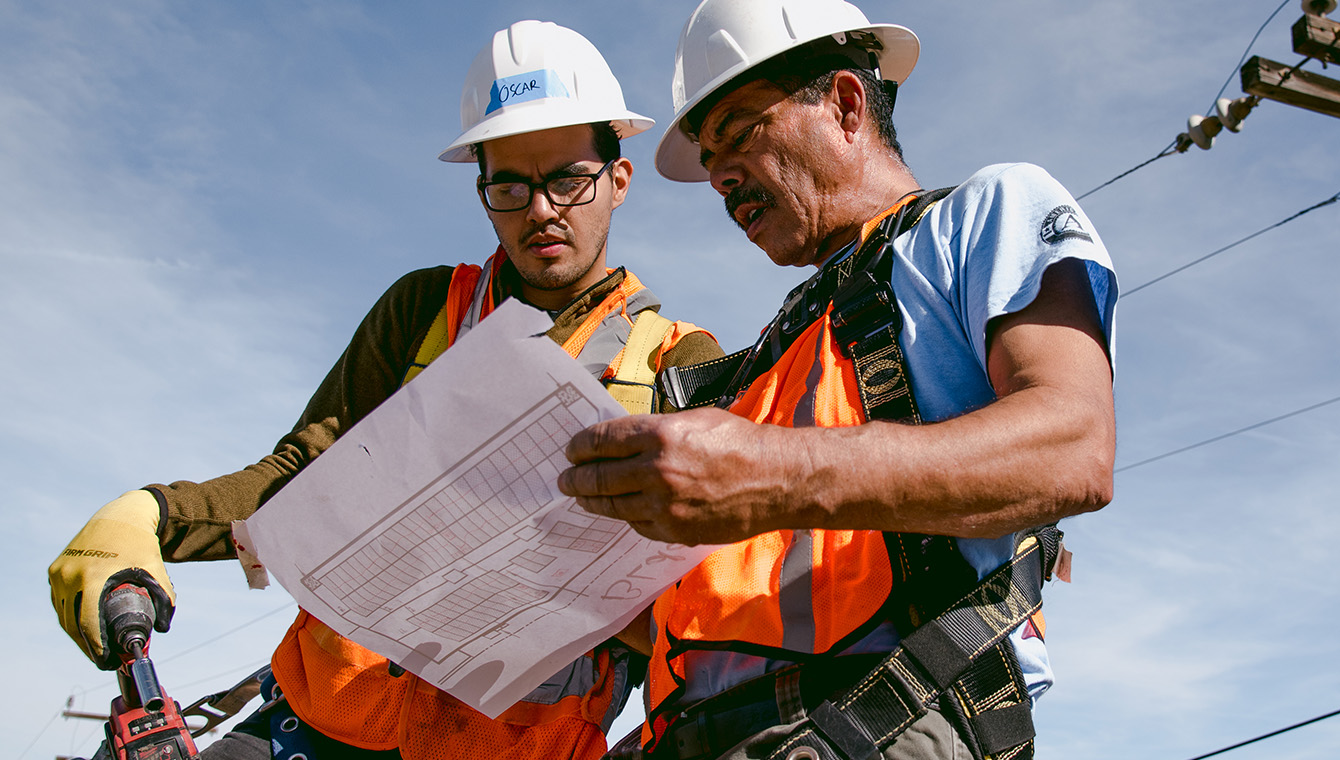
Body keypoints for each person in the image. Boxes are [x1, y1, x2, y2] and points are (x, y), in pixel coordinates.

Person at [48, 20, 721, 760]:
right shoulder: (421, 312)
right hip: (320, 723)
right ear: (481, 191)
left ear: (617, 182)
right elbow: (301, 481)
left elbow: (703, 612)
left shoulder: (677, 364)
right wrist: (153, 514)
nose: (540, 210)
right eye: (510, 185)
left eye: (568, 179)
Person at [558, 1, 1118, 758]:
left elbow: (1073, 445)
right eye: (708, 152)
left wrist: (769, 471)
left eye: (740, 130)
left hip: (871, 719)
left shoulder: (982, 214)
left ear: (847, 105)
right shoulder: (776, 351)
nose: (719, 174)